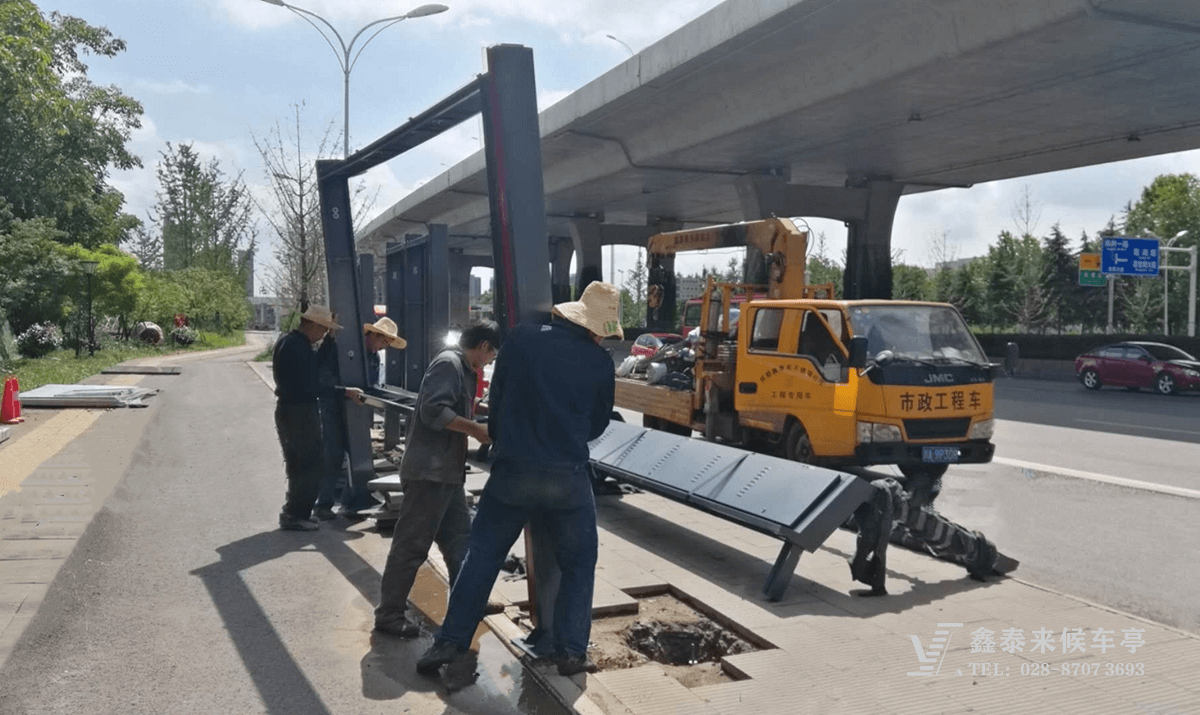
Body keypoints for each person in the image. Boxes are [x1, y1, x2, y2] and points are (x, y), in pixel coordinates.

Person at [417, 282, 619, 677]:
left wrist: (504, 437)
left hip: (513, 472)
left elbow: (497, 398)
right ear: (596, 329)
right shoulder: (599, 362)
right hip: (567, 478)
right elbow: (597, 425)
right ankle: (572, 652)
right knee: (580, 562)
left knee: (482, 555)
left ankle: (450, 641)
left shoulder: (523, 338)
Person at [374, 321, 501, 638]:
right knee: (412, 545)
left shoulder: (463, 368)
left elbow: (454, 407)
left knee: (461, 540)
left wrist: (482, 416)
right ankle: (389, 614)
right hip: (429, 474)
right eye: (492, 355)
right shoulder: (449, 364)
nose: (490, 361)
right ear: (484, 346)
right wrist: (475, 429)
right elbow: (433, 411)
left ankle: (468, 601)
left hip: (446, 473)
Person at [313, 317, 407, 521]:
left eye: (387, 344)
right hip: (333, 406)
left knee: (357, 451)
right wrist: (344, 391)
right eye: (383, 341)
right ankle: (323, 503)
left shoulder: (373, 357)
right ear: (372, 335)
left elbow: (371, 386)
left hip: (355, 408)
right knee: (333, 454)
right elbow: (323, 380)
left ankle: (352, 500)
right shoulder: (340, 349)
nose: (382, 347)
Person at [272, 304, 341, 531]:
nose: (323, 334)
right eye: (323, 330)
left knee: (300, 463)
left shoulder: (291, 342)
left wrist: (329, 341)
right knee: (308, 463)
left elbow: (315, 367)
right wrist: (339, 392)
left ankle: (297, 511)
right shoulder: (296, 347)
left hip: (292, 409)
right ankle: (295, 514)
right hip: (298, 411)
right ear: (312, 325)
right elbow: (312, 382)